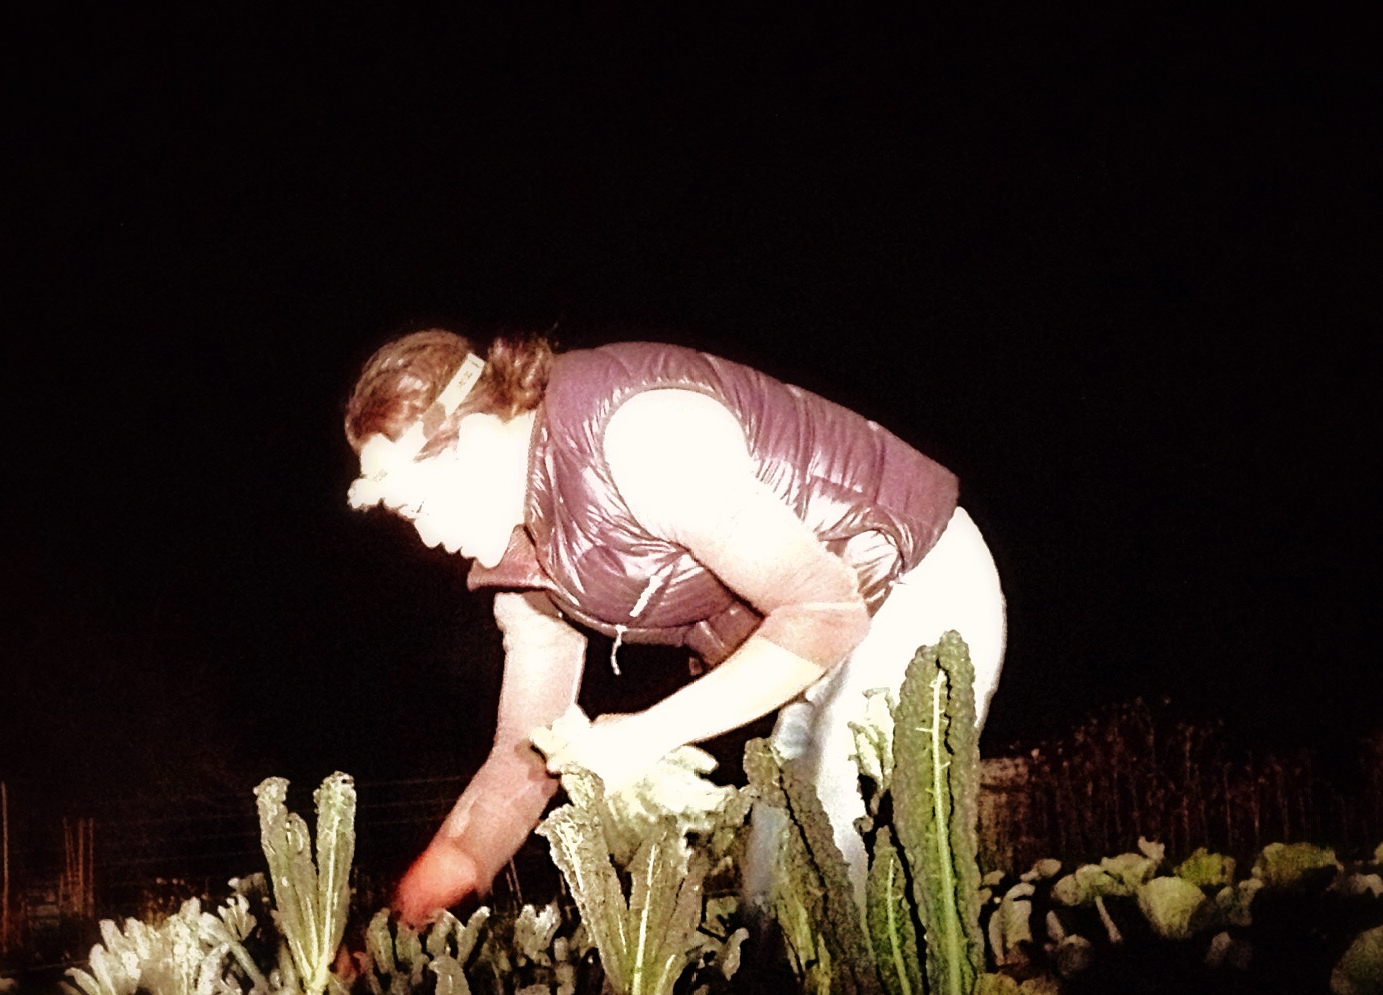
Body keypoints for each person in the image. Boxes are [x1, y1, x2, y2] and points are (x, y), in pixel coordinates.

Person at [343, 331, 1007, 926]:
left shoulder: (634, 436)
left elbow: (824, 613)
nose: (427, 537)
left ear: (479, 436)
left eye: (418, 505)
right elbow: (519, 772)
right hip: (822, 649)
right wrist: (394, 927)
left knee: (830, 886)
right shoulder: (525, 572)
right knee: (771, 905)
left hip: (916, 583)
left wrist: (648, 734)